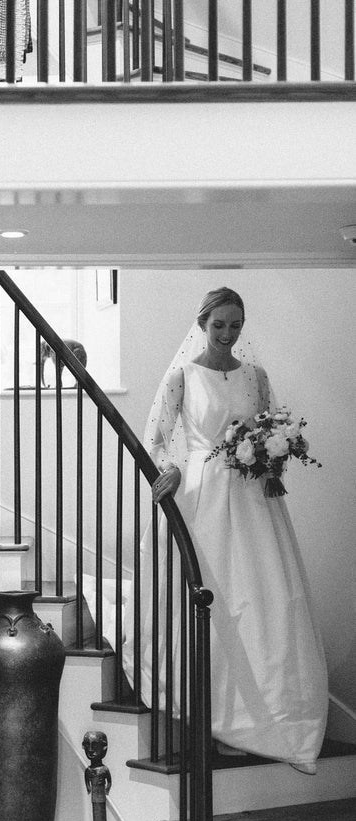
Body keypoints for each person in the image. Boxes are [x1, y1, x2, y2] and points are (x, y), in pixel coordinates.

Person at [127, 286, 328, 775]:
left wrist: (272, 456)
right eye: (219, 324)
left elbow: (273, 425)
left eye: (235, 325)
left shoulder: (255, 376)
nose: (227, 333)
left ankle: (265, 719)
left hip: (253, 496)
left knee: (263, 599)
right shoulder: (183, 374)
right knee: (210, 597)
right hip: (203, 495)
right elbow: (155, 436)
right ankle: (209, 713)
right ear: (202, 323)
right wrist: (169, 467)